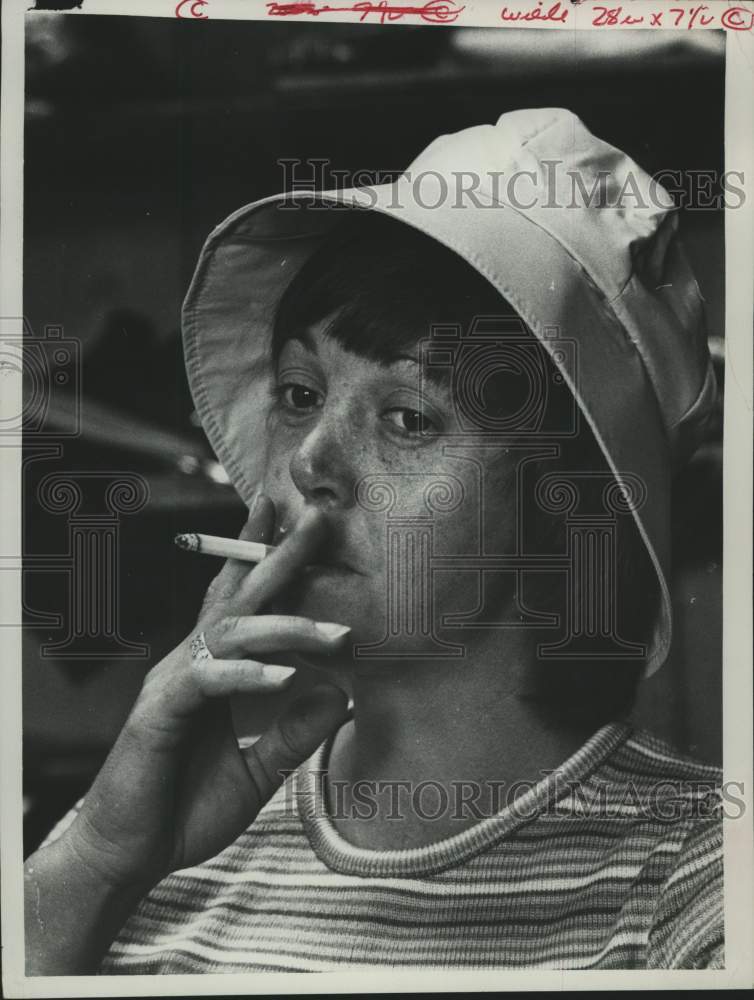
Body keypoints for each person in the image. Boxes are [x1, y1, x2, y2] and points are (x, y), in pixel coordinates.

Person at [24, 108, 723, 973]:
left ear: (565, 502)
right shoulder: (148, 849)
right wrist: (94, 859)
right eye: (299, 394)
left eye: (407, 417)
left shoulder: (696, 883)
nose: (312, 461)